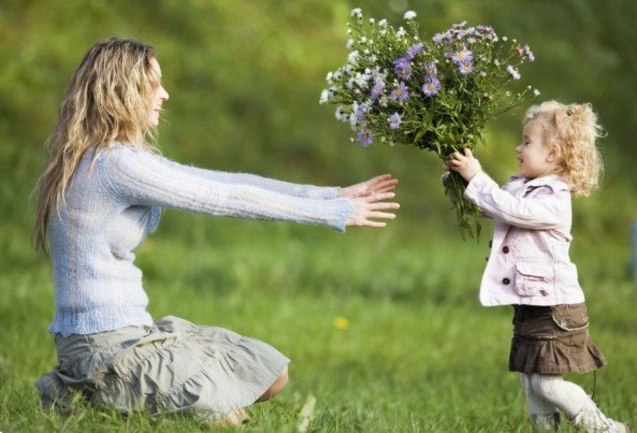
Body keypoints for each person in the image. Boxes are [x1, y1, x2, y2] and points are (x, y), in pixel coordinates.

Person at [32, 37, 399, 425]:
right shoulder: (113, 165)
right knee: (228, 418)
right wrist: (334, 213)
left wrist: (329, 195)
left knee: (270, 373)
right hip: (104, 351)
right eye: (155, 85)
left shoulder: (106, 158)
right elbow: (225, 197)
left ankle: (101, 403)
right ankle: (90, 397)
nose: (165, 95)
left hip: (135, 335)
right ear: (123, 91)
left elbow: (221, 180)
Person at [447, 101, 628, 432]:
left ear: (553, 153)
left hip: (556, 309)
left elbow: (511, 209)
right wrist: (459, 180)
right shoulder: (520, 186)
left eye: (527, 142)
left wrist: (477, 176)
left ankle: (605, 429)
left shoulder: (554, 199)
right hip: (532, 305)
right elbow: (491, 205)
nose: (519, 148)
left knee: (547, 385)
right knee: (530, 384)